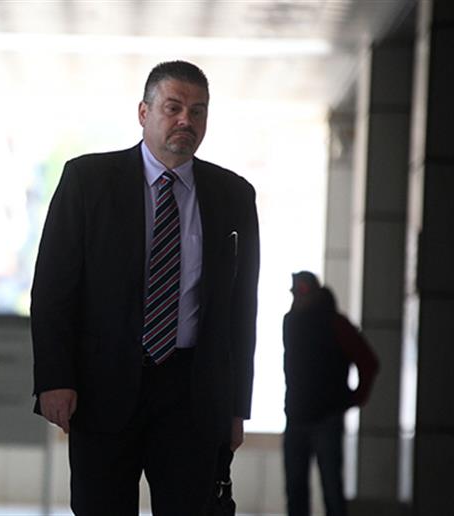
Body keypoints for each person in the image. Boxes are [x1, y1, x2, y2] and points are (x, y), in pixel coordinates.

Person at [31, 60, 261, 514]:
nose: (185, 120)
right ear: (143, 112)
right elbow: (54, 289)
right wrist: (54, 379)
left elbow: (241, 310)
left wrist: (237, 407)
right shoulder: (88, 181)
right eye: (173, 108)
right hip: (103, 387)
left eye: (197, 111)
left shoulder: (233, 195)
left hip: (192, 394)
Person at [283, 271, 378, 516]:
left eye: (302, 291)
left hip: (326, 419)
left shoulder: (336, 324)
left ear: (315, 292)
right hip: (296, 417)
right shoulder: (291, 323)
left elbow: (368, 362)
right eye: (295, 291)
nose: (298, 297)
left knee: (332, 491)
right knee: (296, 493)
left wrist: (354, 398)